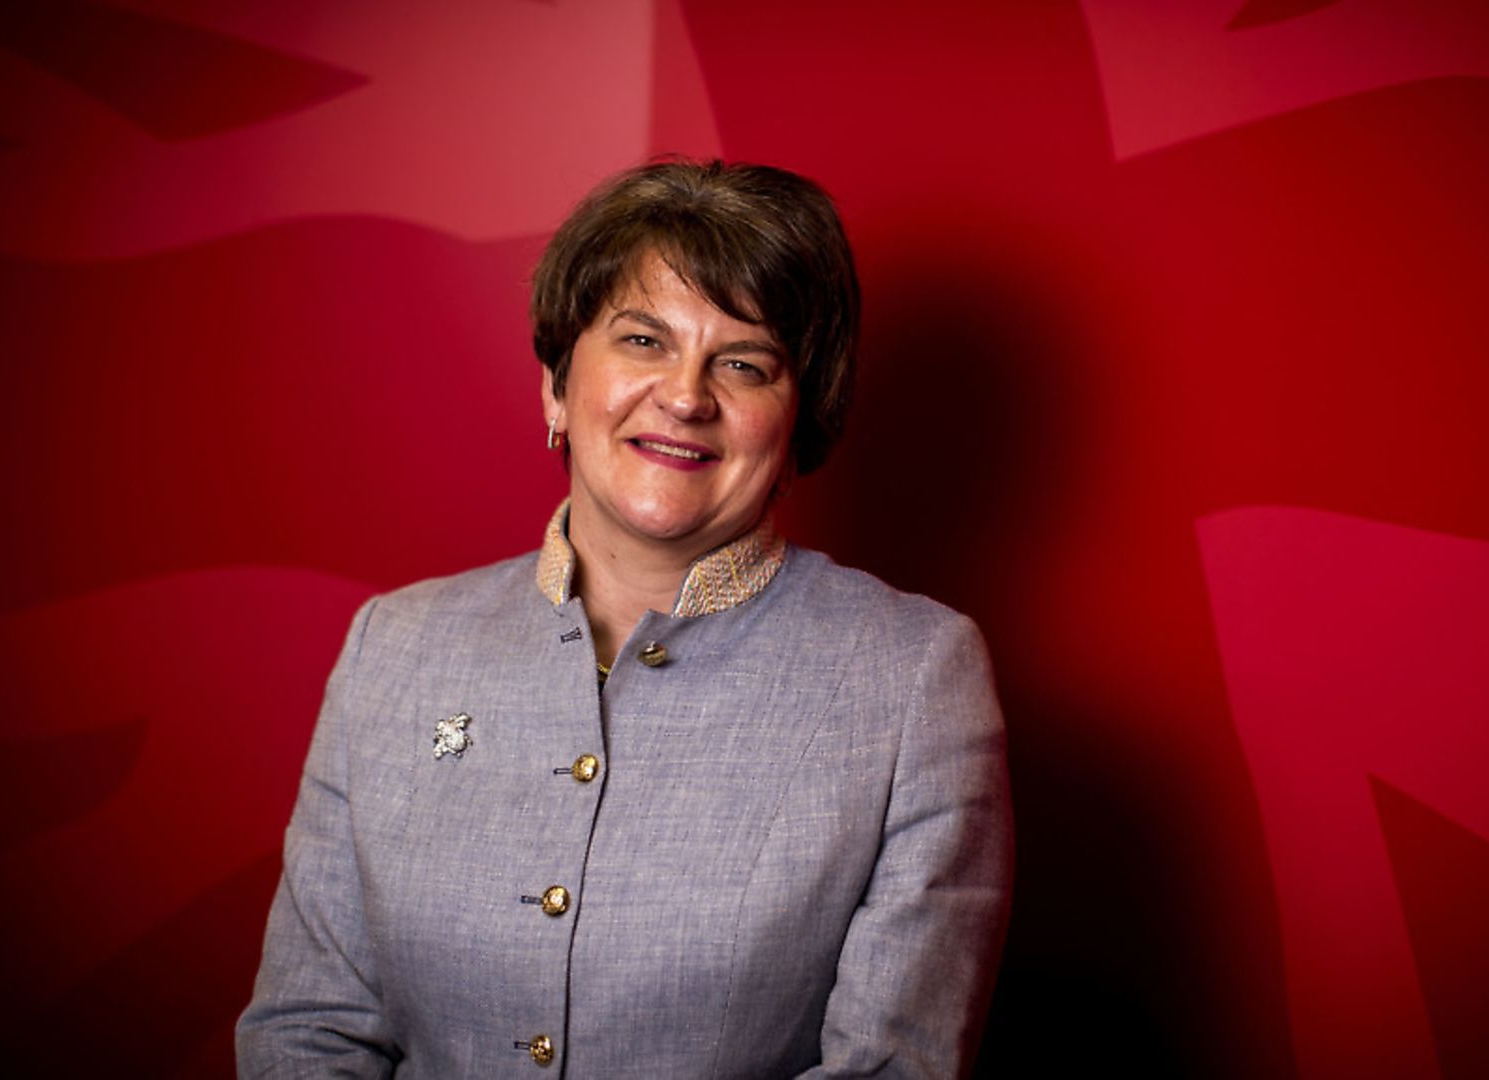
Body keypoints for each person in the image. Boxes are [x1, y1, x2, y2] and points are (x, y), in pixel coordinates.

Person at [236, 160, 1013, 1078]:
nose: (686, 395)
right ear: (558, 387)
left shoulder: (914, 676)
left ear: (798, 421)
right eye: (643, 340)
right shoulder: (393, 648)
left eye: (743, 362)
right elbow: (309, 1027)